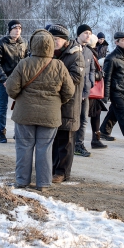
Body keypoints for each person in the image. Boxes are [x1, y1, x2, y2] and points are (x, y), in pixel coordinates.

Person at [7, 29, 75, 192]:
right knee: (45, 148)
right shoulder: (59, 65)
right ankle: (43, 183)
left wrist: (22, 96)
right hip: (50, 115)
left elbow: (11, 88)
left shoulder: (24, 64)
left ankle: (22, 181)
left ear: (32, 45)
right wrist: (57, 102)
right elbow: (69, 91)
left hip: (25, 114)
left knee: (24, 147)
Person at [46, 24, 84, 183]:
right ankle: (54, 169)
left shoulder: (75, 55)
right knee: (55, 140)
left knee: (66, 140)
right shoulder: (54, 54)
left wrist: (54, 79)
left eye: (57, 39)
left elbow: (75, 78)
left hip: (69, 103)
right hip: (54, 103)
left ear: (64, 40)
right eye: (52, 39)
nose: (54, 42)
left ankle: (62, 173)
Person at [0, 20, 29, 143]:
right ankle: (1, 132)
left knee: (20, 107)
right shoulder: (1, 43)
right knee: (2, 107)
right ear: (9, 30)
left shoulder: (24, 43)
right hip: (5, 80)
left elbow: (27, 61)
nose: (17, 30)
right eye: (15, 28)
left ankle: (18, 132)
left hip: (20, 81)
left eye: (19, 28)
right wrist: (4, 79)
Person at [74, 24, 99, 157]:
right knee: (73, 119)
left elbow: (92, 69)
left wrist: (90, 84)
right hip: (73, 91)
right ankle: (70, 143)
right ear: (78, 34)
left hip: (85, 92)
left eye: (90, 33)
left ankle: (79, 144)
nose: (88, 35)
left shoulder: (89, 51)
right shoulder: (71, 49)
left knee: (84, 119)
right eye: (85, 33)